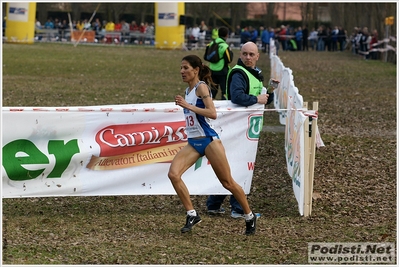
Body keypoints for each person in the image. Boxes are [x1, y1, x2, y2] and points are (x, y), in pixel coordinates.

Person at [169, 54, 257, 235]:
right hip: (194, 142)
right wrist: (187, 104)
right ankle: (192, 214)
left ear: (196, 70)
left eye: (185, 68)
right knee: (173, 174)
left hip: (209, 141)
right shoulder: (188, 91)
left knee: (228, 183)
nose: (182, 71)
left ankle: (249, 216)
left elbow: (212, 113)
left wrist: (188, 106)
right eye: (181, 68)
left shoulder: (201, 88)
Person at [206, 41, 274, 219]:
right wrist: (257, 99)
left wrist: (270, 93)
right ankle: (237, 208)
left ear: (258, 56)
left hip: (244, 126)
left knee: (229, 166)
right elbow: (237, 97)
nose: (248, 57)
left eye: (252, 54)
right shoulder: (238, 73)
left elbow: (259, 97)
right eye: (245, 54)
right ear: (240, 54)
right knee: (238, 166)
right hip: (236, 127)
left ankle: (213, 204)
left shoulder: (254, 73)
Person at [207, 26, 234, 100]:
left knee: (213, 90)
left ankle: (209, 105)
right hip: (222, 71)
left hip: (212, 70)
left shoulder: (212, 43)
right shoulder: (225, 46)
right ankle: (224, 106)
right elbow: (229, 59)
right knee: (224, 90)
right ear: (226, 35)